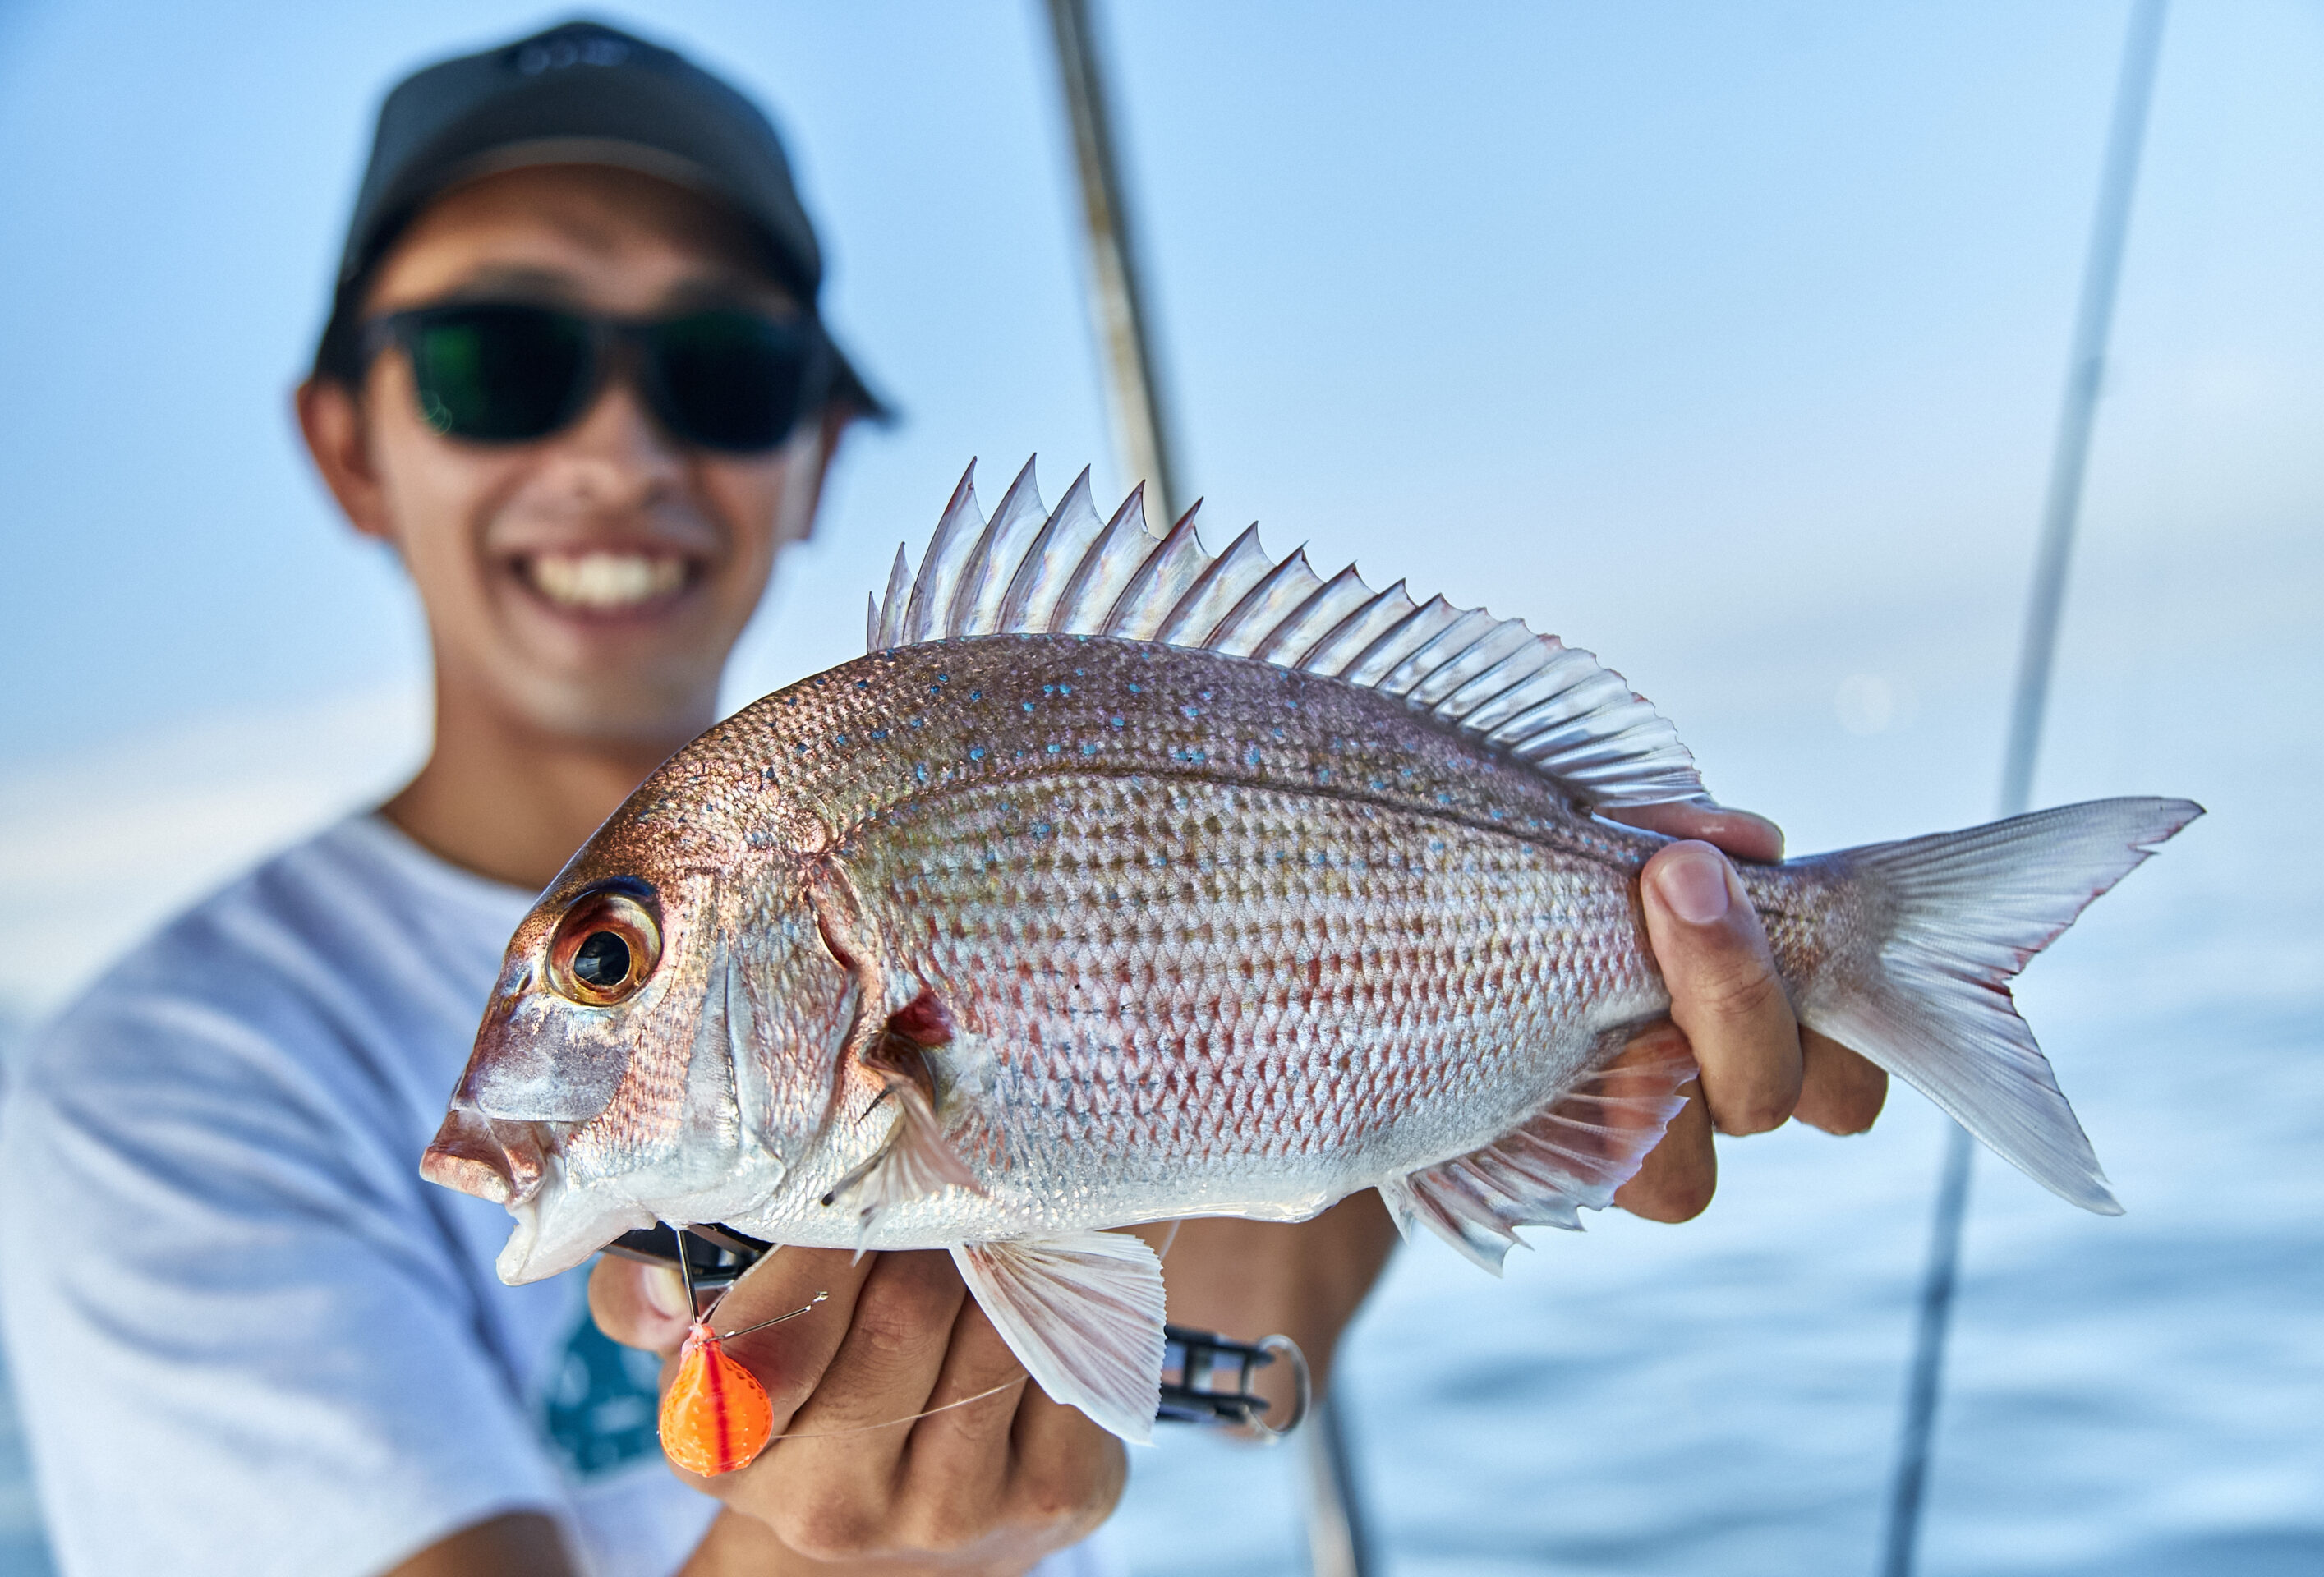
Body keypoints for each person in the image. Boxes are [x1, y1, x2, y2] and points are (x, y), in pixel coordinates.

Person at [0, 18, 1890, 1577]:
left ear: (821, 446)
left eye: (722, 371)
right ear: (347, 444)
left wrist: (1498, 1087)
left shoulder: (900, 796)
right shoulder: (163, 1094)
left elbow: (1232, 1258)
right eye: (504, 362)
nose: (619, 445)